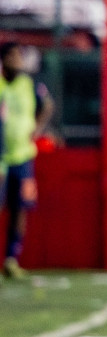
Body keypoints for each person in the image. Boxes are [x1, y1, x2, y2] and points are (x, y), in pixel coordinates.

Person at [1, 43, 53, 279]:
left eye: (20, 56)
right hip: (1, 157)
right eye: (13, 56)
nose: (18, 61)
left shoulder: (29, 84)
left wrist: (38, 128)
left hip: (23, 157)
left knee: (20, 208)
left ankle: (12, 258)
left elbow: (48, 105)